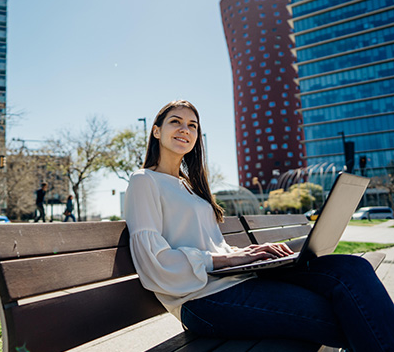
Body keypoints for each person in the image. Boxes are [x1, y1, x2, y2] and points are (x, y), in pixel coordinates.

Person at [124, 100, 394, 351]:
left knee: (352, 267)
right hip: (201, 300)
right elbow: (153, 262)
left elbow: (211, 245)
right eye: (176, 122)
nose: (185, 129)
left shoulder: (191, 187)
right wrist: (228, 260)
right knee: (348, 314)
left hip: (237, 279)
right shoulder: (144, 180)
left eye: (192, 125)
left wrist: (250, 253)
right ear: (156, 131)